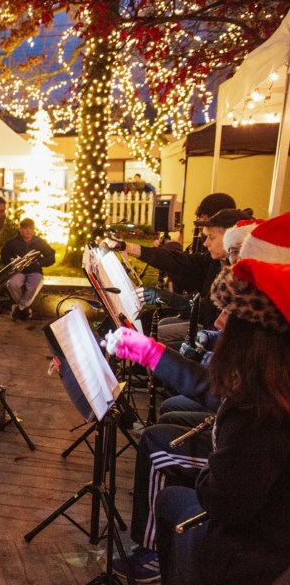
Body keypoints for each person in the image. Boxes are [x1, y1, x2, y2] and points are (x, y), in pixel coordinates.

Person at [107, 211, 290, 584]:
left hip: (257, 550)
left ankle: (155, 557)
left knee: (170, 489)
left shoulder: (262, 402)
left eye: (232, 318)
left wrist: (209, 471)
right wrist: (150, 353)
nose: (222, 322)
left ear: (256, 332)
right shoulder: (271, 379)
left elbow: (227, 501)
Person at [103, 206, 251, 350]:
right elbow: (179, 262)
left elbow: (209, 313)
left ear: (230, 240)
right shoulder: (215, 261)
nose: (206, 243)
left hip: (214, 335)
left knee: (156, 335)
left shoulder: (241, 277)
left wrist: (166, 297)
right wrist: (128, 247)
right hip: (203, 322)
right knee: (160, 324)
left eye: (211, 237)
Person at [1, 218, 56, 321]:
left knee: (35, 285)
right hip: (18, 271)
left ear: (34, 229)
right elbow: (4, 255)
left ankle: (19, 308)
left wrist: (40, 263)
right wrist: (12, 261)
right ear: (20, 229)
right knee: (12, 283)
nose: (28, 231)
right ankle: (24, 309)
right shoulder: (13, 242)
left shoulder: (39, 242)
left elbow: (51, 256)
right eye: (25, 228)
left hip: (35, 271)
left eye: (31, 228)